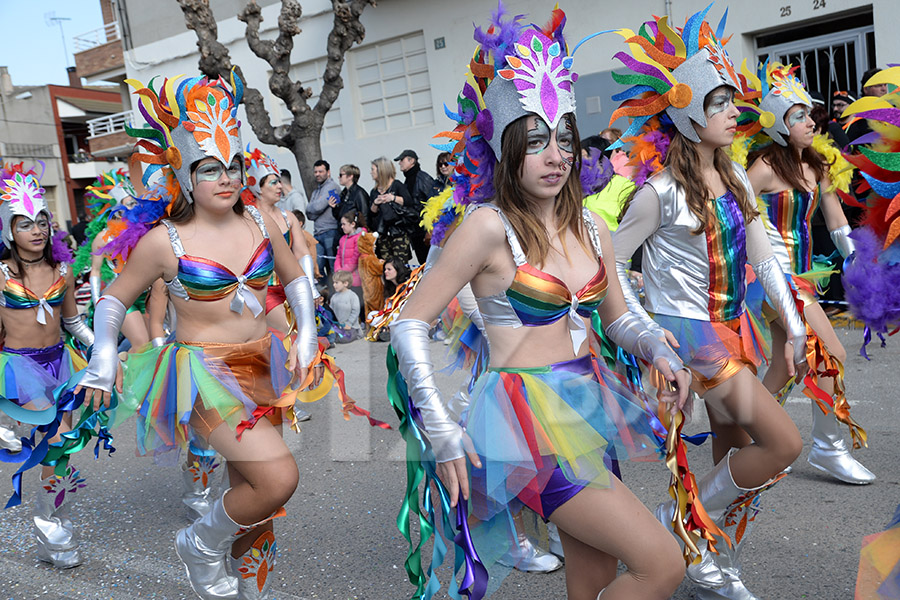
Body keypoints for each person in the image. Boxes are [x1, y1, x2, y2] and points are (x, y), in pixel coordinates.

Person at [390, 9, 693, 599]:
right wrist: (442, 428)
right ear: (506, 151)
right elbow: (409, 324)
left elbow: (619, 315)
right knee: (661, 564)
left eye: (565, 139)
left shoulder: (590, 226)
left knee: (595, 575)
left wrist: (659, 347)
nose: (556, 155)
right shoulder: (486, 227)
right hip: (525, 425)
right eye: (535, 142)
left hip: (589, 406)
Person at [75, 73, 326, 599]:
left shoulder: (259, 219)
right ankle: (199, 544)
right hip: (205, 375)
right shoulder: (164, 242)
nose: (226, 178)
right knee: (278, 478)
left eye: (232, 166)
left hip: (264, 363)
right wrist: (102, 360)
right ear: (186, 177)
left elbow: (294, 276)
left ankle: (240, 581)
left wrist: (305, 337)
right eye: (210, 168)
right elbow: (113, 299)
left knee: (255, 497)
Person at [609, 10, 809, 599]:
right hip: (691, 335)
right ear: (688, 114)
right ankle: (685, 536)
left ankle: (714, 565)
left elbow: (764, 257)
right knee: (783, 445)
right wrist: (646, 328)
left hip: (734, 324)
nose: (731, 113)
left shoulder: (741, 182)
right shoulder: (658, 194)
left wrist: (793, 326)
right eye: (718, 103)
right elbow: (612, 264)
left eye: (731, 102)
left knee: (740, 453)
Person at [740, 62, 874, 484]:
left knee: (787, 365)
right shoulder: (763, 168)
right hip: (773, 277)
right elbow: (732, 215)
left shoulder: (817, 165)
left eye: (809, 112)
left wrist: (857, 262)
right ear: (779, 124)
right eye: (798, 115)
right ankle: (827, 448)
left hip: (802, 274)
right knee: (830, 353)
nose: (810, 120)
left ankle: (753, 437)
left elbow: (835, 221)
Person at [0, 162, 97, 568]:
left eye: (42, 221)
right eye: (26, 224)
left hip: (60, 363)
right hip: (20, 368)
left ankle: (51, 525)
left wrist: (100, 350)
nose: (37, 230)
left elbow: (72, 321)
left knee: (62, 452)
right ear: (9, 232)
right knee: (56, 439)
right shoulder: (1, 274)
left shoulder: (63, 269)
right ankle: (52, 529)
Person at [243, 147, 318, 337]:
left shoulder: (289, 217)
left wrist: (311, 288)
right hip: (262, 290)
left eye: (279, 182)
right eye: (274, 182)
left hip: (291, 286)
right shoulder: (247, 220)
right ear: (258, 188)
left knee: (306, 333)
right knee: (290, 331)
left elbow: (302, 253)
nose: (280, 187)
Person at [368, 157, 413, 263]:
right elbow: (372, 213)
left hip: (398, 231)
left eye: (373, 169)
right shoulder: (374, 191)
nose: (371, 172)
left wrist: (392, 198)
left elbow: (408, 202)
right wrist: (376, 203)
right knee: (386, 265)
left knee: (400, 265)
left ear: (381, 170)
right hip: (383, 233)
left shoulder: (397, 185)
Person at [395, 149, 434, 264]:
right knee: (424, 264)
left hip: (425, 231)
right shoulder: (408, 180)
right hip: (415, 231)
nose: (399, 163)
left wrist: (430, 229)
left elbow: (433, 202)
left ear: (412, 161)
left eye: (402, 160)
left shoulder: (422, 178)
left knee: (430, 263)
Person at [305, 159, 341, 283]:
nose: (317, 174)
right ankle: (325, 296)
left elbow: (317, 207)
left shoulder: (332, 187)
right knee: (318, 268)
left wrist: (315, 207)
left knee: (333, 267)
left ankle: (336, 296)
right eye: (315, 172)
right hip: (318, 234)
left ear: (328, 172)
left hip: (330, 231)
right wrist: (315, 207)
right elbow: (309, 213)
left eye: (321, 171)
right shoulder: (316, 191)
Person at [334, 209, 366, 299]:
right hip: (344, 278)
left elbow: (356, 258)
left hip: (356, 279)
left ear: (352, 224)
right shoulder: (342, 239)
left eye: (344, 224)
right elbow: (338, 256)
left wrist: (343, 271)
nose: (342, 227)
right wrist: (338, 270)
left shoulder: (361, 237)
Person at [330, 270, 362, 342]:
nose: (334, 285)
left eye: (336, 283)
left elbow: (355, 311)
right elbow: (331, 311)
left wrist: (349, 324)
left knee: (344, 339)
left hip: (351, 326)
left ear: (345, 283)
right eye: (333, 282)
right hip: (338, 326)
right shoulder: (334, 297)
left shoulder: (352, 296)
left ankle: (357, 334)